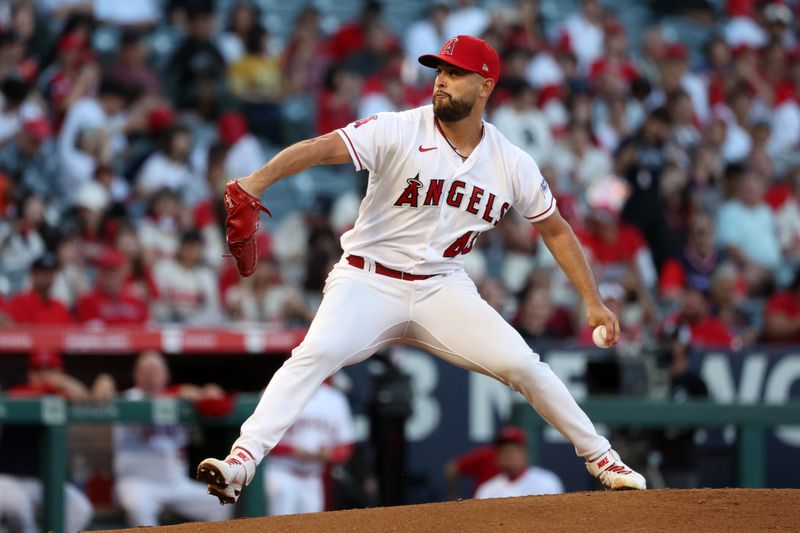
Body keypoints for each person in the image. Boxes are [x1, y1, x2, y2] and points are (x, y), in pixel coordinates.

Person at [198, 35, 646, 505]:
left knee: (523, 365)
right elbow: (317, 148)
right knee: (315, 354)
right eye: (439, 72)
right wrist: (253, 182)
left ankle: (603, 458)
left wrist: (592, 301)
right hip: (367, 278)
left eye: (455, 74)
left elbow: (556, 230)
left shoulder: (511, 162)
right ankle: (241, 462)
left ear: (485, 85)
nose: (441, 82)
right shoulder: (398, 129)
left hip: (442, 287)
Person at [0, 348, 113, 532]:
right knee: (17, 507)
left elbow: (91, 395)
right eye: (38, 370)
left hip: (46, 482)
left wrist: (106, 380)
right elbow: (29, 393)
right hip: (10, 478)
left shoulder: (65, 395)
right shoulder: (19, 392)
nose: (44, 375)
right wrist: (59, 383)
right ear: (30, 374)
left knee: (81, 508)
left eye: (51, 370)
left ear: (61, 372)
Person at [113, 350, 231, 527]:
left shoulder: (180, 400)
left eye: (155, 372)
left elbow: (218, 406)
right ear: (136, 376)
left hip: (175, 483)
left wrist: (207, 393)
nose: (150, 377)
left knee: (220, 500)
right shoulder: (128, 399)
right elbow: (152, 402)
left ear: (166, 376)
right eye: (145, 372)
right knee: (139, 508)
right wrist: (180, 393)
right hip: (137, 483)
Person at [265, 378, 355, 516]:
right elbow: (261, 441)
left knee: (313, 525)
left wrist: (331, 454)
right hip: (282, 473)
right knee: (280, 524)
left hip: (313, 477)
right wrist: (292, 450)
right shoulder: (278, 392)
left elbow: (346, 446)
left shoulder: (335, 399)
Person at [474, 426, 563, 499]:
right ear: (497, 457)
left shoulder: (546, 482)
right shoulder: (487, 489)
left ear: (525, 453)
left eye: (513, 450)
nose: (508, 455)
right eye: (503, 451)